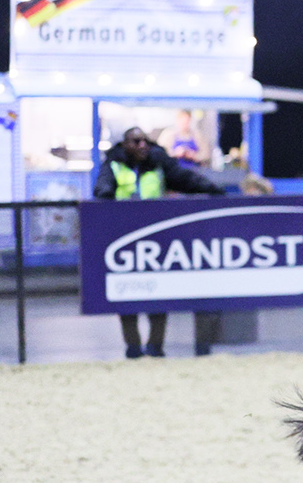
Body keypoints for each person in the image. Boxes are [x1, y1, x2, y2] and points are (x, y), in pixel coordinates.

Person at [93, 126, 226, 359]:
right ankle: (133, 347)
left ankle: (156, 346)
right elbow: (102, 188)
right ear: (125, 144)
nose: (142, 145)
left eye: (145, 141)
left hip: (157, 237)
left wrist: (214, 190)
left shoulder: (159, 161)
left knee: (159, 291)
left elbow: (185, 179)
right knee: (126, 294)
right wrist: (105, 195)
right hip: (124, 237)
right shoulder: (113, 164)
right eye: (136, 141)